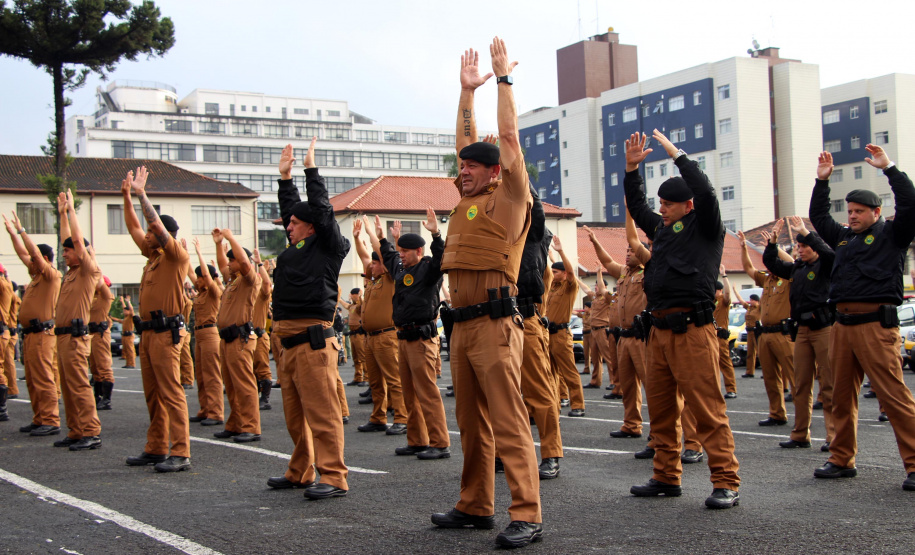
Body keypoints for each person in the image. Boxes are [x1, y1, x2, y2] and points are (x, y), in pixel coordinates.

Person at [430, 39, 542, 548]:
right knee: (471, 423)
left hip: (497, 326)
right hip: (461, 325)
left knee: (508, 419)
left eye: (474, 166)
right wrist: (466, 94)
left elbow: (510, 137)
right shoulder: (466, 202)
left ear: (496, 171)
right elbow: (464, 142)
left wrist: (503, 81)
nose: (464, 170)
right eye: (463, 166)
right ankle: (475, 505)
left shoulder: (511, 197)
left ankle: (528, 513)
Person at [624, 130, 740, 509]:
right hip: (658, 331)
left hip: (693, 329)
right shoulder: (662, 229)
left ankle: (726, 481)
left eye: (669, 204)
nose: (662, 209)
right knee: (660, 411)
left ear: (687, 205)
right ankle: (665, 476)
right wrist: (631, 170)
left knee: (707, 410)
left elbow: (706, 192)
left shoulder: (706, 226)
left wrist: (678, 155)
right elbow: (637, 206)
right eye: (661, 204)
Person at [808, 147, 915, 491]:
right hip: (842, 326)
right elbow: (819, 217)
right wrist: (822, 182)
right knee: (840, 397)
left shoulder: (892, 234)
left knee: (894, 397)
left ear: (876, 212)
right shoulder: (844, 238)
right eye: (850, 211)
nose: (852, 215)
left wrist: (890, 169)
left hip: (875, 326)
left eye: (859, 211)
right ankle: (841, 458)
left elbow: (910, 204)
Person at [267, 138, 350, 500]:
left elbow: (321, 210)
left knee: (323, 413)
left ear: (312, 227)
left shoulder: (328, 246)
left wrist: (310, 171)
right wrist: (285, 179)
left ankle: (334, 476)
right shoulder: (297, 247)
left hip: (313, 341)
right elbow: (293, 210)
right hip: (287, 343)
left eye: (297, 224)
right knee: (295, 414)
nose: (289, 227)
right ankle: (301, 470)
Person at [121, 168, 192, 473]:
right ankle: (157, 447)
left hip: (165, 333)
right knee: (153, 394)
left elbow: (151, 225)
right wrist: (126, 197)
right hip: (149, 334)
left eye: (152, 233)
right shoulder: (153, 258)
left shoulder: (175, 255)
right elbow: (135, 227)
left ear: (163, 235)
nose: (146, 236)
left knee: (171, 393)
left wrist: (141, 194)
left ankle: (181, 451)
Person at [375, 210, 451, 460]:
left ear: (418, 251)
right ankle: (417, 440)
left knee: (427, 392)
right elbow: (389, 258)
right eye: (400, 251)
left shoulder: (428, 269)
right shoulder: (401, 270)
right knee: (409, 393)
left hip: (421, 339)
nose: (401, 255)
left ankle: (440, 443)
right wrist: (384, 239)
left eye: (405, 252)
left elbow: (441, 258)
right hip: (404, 338)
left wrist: (436, 234)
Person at [761, 212, 836, 452]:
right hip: (801, 331)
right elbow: (772, 264)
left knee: (828, 384)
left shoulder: (825, 266)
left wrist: (805, 232)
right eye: (799, 246)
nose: (800, 250)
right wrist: (772, 245)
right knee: (801, 384)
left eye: (804, 247)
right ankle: (801, 434)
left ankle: (834, 436)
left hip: (823, 329)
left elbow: (828, 253)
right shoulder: (797, 269)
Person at [52, 190, 103, 450]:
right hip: (62, 336)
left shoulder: (87, 270)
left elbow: (77, 242)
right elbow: (69, 240)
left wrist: (72, 211)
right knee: (68, 386)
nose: (64, 254)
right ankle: (75, 430)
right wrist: (62, 214)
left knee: (80, 385)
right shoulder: (72, 272)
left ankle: (91, 431)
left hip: (75, 337)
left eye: (67, 251)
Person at [3, 212, 61, 436]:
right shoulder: (37, 277)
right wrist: (12, 234)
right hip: (30, 334)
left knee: (44, 378)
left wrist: (22, 231)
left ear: (44, 259)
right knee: (33, 379)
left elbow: (32, 253)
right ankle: (39, 417)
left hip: (43, 333)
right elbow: (23, 253)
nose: (30, 262)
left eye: (34, 260)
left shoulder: (51, 275)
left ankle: (50, 420)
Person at [353, 216, 407, 435]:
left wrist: (371, 232)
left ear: (383, 265)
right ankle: (378, 417)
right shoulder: (373, 281)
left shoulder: (390, 278)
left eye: (375, 263)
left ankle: (401, 418)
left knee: (394, 379)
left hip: (387, 336)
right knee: (375, 381)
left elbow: (380, 252)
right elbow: (364, 255)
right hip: (370, 337)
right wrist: (357, 239)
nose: (371, 265)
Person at [737, 228, 795, 425]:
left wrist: (774, 246)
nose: (768, 266)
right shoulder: (766, 279)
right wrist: (744, 248)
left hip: (783, 333)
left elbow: (792, 262)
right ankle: (777, 414)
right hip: (766, 333)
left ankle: (803, 418)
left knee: (795, 377)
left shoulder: (787, 278)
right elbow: (748, 268)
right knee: (770, 377)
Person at [211, 229, 262, 443]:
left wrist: (231, 238)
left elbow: (242, 261)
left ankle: (251, 427)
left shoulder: (250, 279)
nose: (229, 264)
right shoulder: (233, 281)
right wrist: (218, 244)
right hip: (227, 338)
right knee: (231, 385)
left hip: (240, 338)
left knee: (244, 384)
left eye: (232, 261)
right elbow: (223, 265)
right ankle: (236, 424)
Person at [546, 236, 583, 417]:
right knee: (550, 372)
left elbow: (570, 271)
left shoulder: (569, 287)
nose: (552, 274)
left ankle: (578, 405)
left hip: (561, 334)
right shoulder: (551, 287)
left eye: (556, 272)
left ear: (564, 274)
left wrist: (560, 251)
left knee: (569, 371)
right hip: (548, 333)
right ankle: (557, 401)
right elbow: (547, 271)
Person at [190, 238, 224, 426]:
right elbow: (189, 273)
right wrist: (185, 254)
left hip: (210, 334)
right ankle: (204, 409)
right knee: (201, 375)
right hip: (199, 335)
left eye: (199, 277)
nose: (196, 280)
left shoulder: (213, 292)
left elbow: (206, 274)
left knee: (212, 375)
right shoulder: (201, 294)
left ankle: (216, 413)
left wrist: (199, 252)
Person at [251, 249, 274, 410]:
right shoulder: (248, 295)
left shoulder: (262, 295)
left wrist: (259, 264)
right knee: (251, 369)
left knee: (262, 368)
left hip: (259, 336)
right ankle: (253, 396)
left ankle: (265, 399)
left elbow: (266, 284)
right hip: (247, 337)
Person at [89, 275, 115, 411]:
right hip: (91, 334)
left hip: (100, 334)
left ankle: (106, 400)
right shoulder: (92, 297)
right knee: (94, 367)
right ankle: (97, 397)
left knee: (103, 366)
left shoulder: (105, 297)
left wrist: (96, 273)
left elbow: (101, 284)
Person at [713, 269, 738, 399]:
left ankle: (731, 389)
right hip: (710, 336)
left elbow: (728, 294)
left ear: (719, 290)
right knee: (710, 365)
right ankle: (714, 390)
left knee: (725, 363)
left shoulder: (723, 300)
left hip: (720, 337)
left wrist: (724, 275)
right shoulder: (711, 301)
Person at [340, 288, 367, 386]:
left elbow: (362, 304)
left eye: (352, 295)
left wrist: (360, 296)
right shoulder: (352, 306)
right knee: (355, 358)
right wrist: (339, 299)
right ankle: (358, 377)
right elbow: (345, 305)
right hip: (352, 334)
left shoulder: (360, 306)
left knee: (363, 356)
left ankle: (367, 377)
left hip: (359, 334)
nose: (350, 296)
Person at [732, 289, 760, 377]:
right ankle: (749, 372)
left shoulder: (759, 308)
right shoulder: (749, 308)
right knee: (750, 353)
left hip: (756, 331)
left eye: (752, 300)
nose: (751, 301)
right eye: (750, 300)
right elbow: (741, 300)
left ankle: (766, 371)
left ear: (757, 301)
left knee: (761, 352)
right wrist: (734, 290)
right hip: (749, 331)